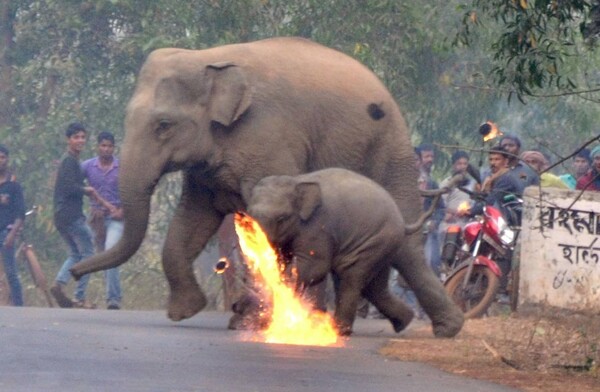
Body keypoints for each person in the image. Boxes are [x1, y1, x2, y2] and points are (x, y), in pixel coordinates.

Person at [50, 122, 98, 309]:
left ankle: (59, 284)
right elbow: (69, 187)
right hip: (71, 216)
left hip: (61, 216)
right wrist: (86, 190)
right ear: (68, 140)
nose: (80, 140)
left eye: (82, 137)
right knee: (89, 255)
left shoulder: (71, 161)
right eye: (76, 137)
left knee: (76, 253)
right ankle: (79, 297)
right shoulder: (69, 161)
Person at [82, 131, 123, 310]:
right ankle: (78, 296)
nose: (106, 149)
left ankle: (113, 299)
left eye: (109, 146)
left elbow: (132, 191)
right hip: (95, 218)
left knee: (110, 253)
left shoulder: (121, 167)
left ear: (114, 148)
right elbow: (73, 183)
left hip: (116, 219)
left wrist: (122, 211)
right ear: (98, 147)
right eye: (103, 145)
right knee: (84, 251)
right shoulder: (87, 166)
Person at [0, 145, 26, 306]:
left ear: (7, 160)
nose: (0, 160)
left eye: (2, 157)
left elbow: (20, 214)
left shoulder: (14, 185)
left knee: (11, 272)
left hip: (5, 232)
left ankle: (19, 308)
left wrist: (11, 235)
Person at [416, 143, 445, 277]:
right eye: (426, 156)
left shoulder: (432, 183)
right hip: (407, 229)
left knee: (430, 263)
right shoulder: (405, 181)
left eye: (432, 156)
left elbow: (440, 208)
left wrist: (435, 222)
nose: (430, 159)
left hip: (427, 231)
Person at [439, 150, 477, 232]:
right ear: (453, 165)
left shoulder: (473, 184)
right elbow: (440, 207)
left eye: (465, 164)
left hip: (468, 227)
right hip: (450, 226)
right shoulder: (446, 184)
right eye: (459, 164)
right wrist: (455, 212)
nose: (463, 167)